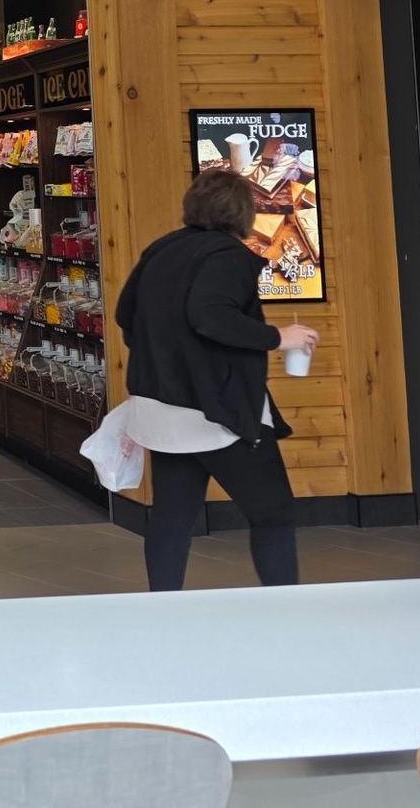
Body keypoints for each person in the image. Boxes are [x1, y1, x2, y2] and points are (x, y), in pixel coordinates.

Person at [115, 170, 319, 592]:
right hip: (216, 410)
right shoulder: (228, 256)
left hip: (161, 407)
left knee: (173, 517)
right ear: (244, 212)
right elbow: (210, 316)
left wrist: (163, 359)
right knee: (273, 513)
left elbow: (125, 315)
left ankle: (164, 607)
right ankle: (288, 610)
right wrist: (278, 337)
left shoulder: (162, 249)